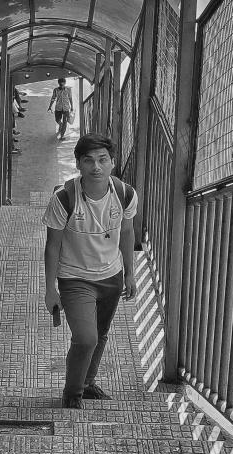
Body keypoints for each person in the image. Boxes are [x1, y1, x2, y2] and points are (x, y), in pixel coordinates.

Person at [41, 133, 138, 409]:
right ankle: (72, 394)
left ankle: (87, 382)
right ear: (79, 165)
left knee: (101, 333)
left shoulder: (125, 194)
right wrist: (50, 289)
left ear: (112, 163)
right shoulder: (64, 198)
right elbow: (52, 246)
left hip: (111, 275)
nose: (96, 167)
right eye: (89, 161)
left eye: (102, 160)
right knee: (86, 338)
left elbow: (128, 232)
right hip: (75, 278)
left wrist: (130, 272)